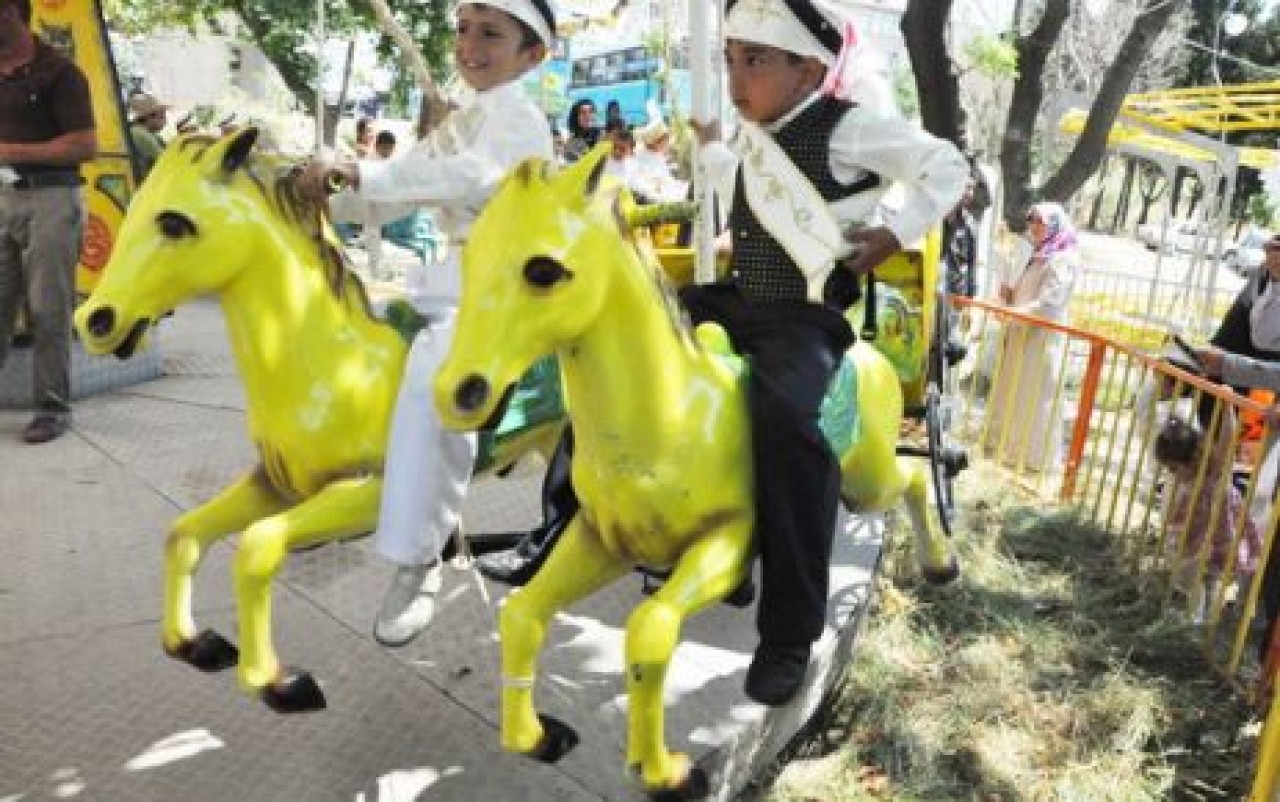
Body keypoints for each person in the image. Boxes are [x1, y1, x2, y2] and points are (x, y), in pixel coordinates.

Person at [683, 0, 966, 706]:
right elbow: (737, 181)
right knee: (621, 343)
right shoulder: (755, 135)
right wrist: (713, 144)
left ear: (809, 69)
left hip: (804, 318)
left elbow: (946, 165)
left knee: (788, 424)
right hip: (741, 298)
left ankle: (789, 632)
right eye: (730, 60)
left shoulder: (849, 128)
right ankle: (566, 512)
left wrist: (897, 232)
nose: (736, 77)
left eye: (754, 61)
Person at [297, 0, 556, 648]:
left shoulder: (519, 119)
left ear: (532, 55)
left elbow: (472, 179)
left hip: (504, 286)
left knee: (436, 376)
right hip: (453, 280)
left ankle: (421, 556)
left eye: (490, 33)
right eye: (464, 30)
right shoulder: (465, 118)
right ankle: (351, 495)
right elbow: (409, 178)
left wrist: (363, 172)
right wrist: (334, 189)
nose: (470, 44)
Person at [0, 0, 98, 444]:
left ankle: (51, 409)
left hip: (52, 198)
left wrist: (11, 153)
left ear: (12, 13)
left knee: (48, 307)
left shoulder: (61, 73)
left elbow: (84, 145)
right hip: (3, 196)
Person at [984, 202, 1080, 471]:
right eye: (1032, 221)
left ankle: (1034, 460)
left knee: (1035, 398)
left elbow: (1049, 305)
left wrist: (1013, 313)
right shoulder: (1039, 254)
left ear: (1054, 225)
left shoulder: (1064, 259)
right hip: (1021, 334)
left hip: (1041, 341)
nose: (1035, 227)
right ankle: (1008, 451)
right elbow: (1027, 292)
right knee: (1013, 392)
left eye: (1041, 222)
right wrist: (1007, 297)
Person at [1152, 415, 1263, 624]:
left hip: (1217, 535)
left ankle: (1200, 619)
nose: (1172, 474)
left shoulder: (1211, 471)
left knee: (1206, 576)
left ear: (1193, 459)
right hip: (1197, 537)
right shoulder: (1186, 481)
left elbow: (1228, 438)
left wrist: (1227, 404)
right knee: (1195, 575)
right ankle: (1199, 615)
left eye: (1174, 468)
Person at [126, 92, 168, 180]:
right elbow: (165, 160)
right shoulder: (139, 134)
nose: (165, 121)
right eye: (162, 117)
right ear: (149, 117)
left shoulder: (148, 133)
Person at [561, 98, 598, 163]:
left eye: (591, 112)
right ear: (576, 117)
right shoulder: (571, 144)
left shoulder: (603, 136)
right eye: (583, 113)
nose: (588, 116)